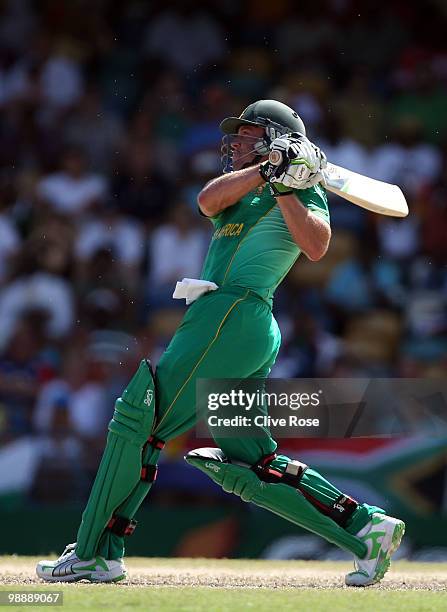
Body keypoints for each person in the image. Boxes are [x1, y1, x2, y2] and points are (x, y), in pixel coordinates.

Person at [36, 100, 404, 587]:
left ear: (276, 137)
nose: (234, 145)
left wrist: (289, 185)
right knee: (250, 459)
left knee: (138, 422)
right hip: (231, 321)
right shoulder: (242, 189)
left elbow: (316, 245)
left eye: (247, 136)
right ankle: (366, 530)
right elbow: (207, 200)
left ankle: (96, 552)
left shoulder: (305, 186)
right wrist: (267, 171)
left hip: (234, 314)